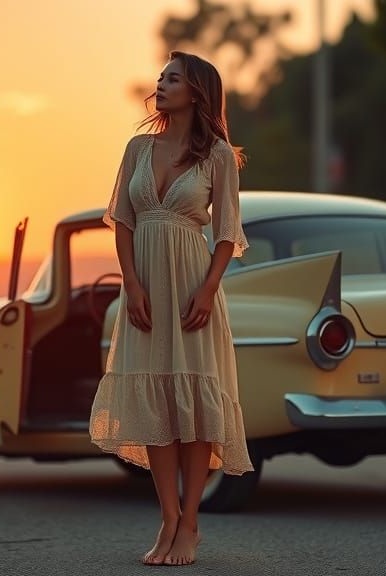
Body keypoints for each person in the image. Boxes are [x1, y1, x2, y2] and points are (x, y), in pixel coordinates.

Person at [88, 50, 255, 566]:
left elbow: (227, 233)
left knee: (194, 408)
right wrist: (131, 285)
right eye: (161, 77)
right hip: (145, 292)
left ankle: (190, 523)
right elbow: (123, 222)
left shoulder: (218, 156)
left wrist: (206, 291)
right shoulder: (138, 147)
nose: (161, 84)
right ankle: (166, 518)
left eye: (173, 78)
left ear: (197, 91)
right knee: (157, 402)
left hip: (191, 291)